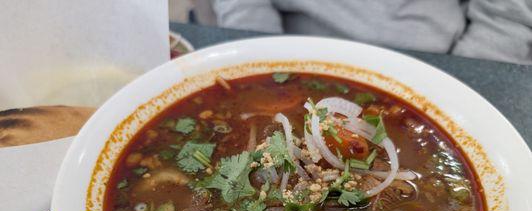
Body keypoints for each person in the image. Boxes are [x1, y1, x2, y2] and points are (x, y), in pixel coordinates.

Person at [211, 0, 532, 64]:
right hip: (290, 52)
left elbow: (509, 16)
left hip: (440, 59)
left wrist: (467, 75)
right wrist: (266, 59)